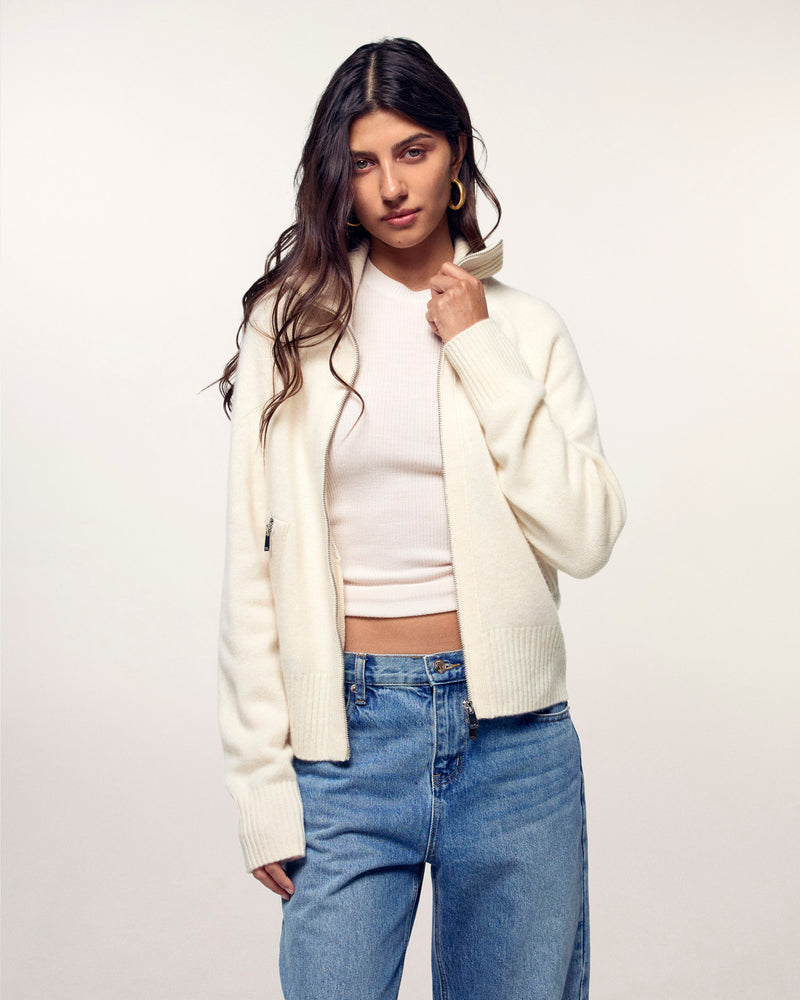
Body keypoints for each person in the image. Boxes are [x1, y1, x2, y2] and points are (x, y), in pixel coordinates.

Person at [217, 37, 626, 1000]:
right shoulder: (292, 325)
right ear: (338, 177)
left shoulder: (523, 328)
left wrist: (478, 346)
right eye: (363, 162)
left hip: (514, 744)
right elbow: (251, 564)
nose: (392, 186)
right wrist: (260, 783)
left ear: (456, 156)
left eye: (414, 151)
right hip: (346, 740)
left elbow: (587, 534)